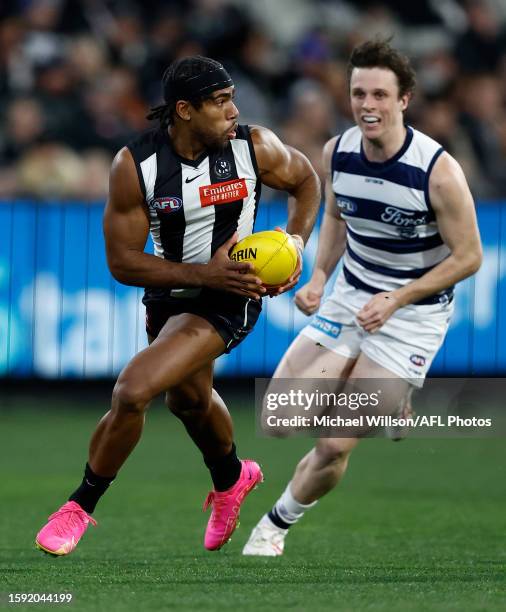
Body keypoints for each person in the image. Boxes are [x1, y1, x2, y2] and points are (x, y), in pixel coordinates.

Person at [35, 56, 320, 556]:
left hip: (233, 292)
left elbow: (306, 181)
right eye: (220, 102)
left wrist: (294, 243)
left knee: (133, 390)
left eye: (233, 98)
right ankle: (233, 478)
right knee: (188, 401)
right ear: (184, 110)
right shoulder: (135, 165)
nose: (234, 111)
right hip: (172, 293)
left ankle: (78, 507)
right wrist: (199, 273)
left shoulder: (254, 147)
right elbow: (122, 262)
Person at [243, 39, 482, 557]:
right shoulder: (337, 151)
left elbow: (468, 258)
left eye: (379, 94)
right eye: (358, 94)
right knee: (280, 417)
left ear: (404, 100)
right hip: (351, 294)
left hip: (411, 314)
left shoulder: (437, 172)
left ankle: (275, 525)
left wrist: (397, 299)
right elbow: (335, 214)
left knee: (332, 443)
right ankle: (389, 402)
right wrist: (319, 275)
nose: (367, 105)